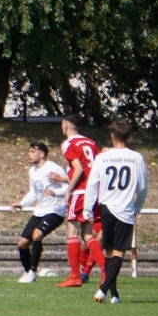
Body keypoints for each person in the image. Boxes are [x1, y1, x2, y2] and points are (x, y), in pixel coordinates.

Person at [84, 120, 148, 304]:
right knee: (119, 253)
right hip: (125, 209)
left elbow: (92, 185)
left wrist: (88, 209)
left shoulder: (102, 158)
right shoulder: (136, 158)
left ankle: (114, 295)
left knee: (110, 253)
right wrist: (138, 208)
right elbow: (142, 187)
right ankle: (103, 291)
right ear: (128, 137)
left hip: (106, 208)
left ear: (111, 135)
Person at [48, 113, 105, 288]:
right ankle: (105, 272)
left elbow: (78, 169)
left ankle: (75, 276)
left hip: (80, 192)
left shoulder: (68, 143)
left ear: (64, 125)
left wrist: (69, 191)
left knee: (71, 233)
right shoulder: (91, 142)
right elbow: (95, 168)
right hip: (94, 192)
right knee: (87, 234)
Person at [10, 142, 67, 283]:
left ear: (41, 154)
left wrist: (54, 192)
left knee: (37, 235)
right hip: (40, 211)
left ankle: (33, 271)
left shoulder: (54, 168)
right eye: (29, 151)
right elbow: (34, 192)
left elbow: (69, 187)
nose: (29, 154)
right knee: (22, 244)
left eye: (32, 151)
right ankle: (28, 271)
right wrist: (22, 203)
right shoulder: (32, 171)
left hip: (56, 211)